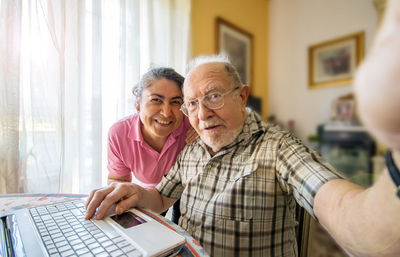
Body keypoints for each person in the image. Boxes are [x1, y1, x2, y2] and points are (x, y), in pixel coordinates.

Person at [86, 2, 400, 255]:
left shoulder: (278, 148)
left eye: (214, 97)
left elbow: (354, 221)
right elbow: (162, 199)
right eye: (192, 104)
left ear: (242, 96)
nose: (203, 113)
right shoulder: (191, 151)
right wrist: (136, 193)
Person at [106, 67, 195, 224]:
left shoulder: (192, 127)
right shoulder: (119, 133)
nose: (167, 113)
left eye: (176, 102)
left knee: (180, 228)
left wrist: (204, 130)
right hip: (150, 192)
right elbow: (118, 180)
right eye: (156, 100)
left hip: (186, 191)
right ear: (138, 102)